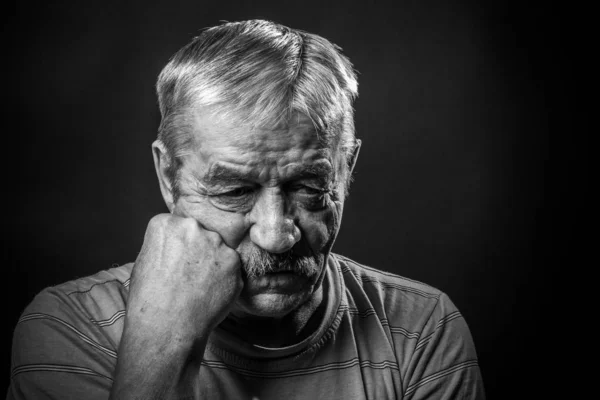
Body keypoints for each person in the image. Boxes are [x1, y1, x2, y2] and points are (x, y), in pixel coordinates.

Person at [8, 19, 485, 399]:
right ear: (168, 176)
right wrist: (168, 343)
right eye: (234, 191)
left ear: (346, 168)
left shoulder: (421, 330)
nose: (277, 235)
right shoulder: (70, 329)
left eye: (309, 186)